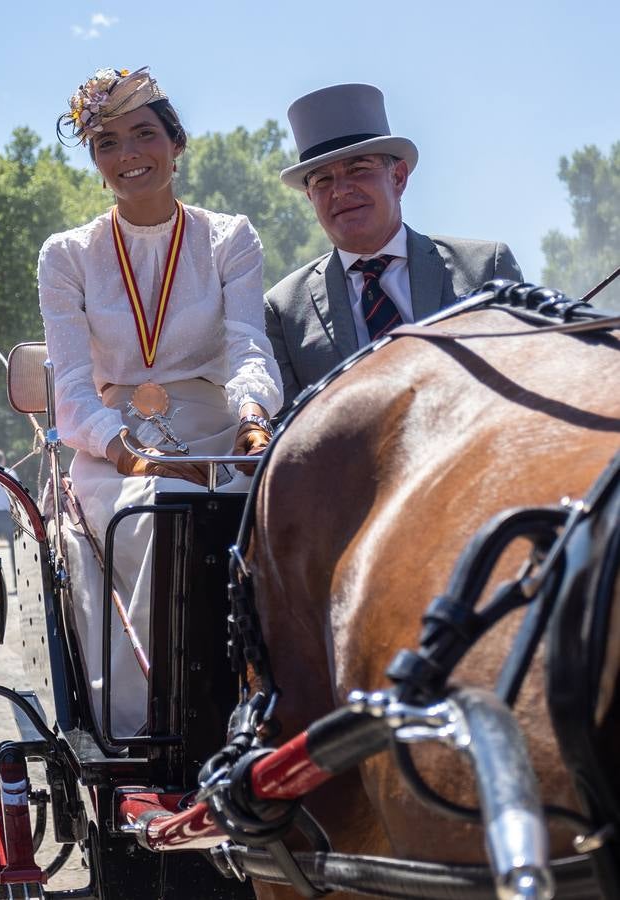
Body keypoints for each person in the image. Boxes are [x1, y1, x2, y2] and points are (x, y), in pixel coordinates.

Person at [38, 66, 282, 734]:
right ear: (95, 161)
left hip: (216, 428)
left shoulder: (229, 237)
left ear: (177, 144)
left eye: (144, 134)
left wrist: (255, 419)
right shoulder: (66, 256)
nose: (129, 155)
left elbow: (247, 348)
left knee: (272, 515)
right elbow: (73, 390)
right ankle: (167, 724)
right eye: (107, 143)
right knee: (154, 515)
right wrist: (124, 452)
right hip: (112, 446)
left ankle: (276, 708)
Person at [266, 83, 523, 407]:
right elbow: (286, 435)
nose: (340, 190)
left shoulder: (487, 267)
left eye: (358, 169)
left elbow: (523, 383)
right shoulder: (283, 310)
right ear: (309, 196)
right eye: (322, 180)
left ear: (398, 177)